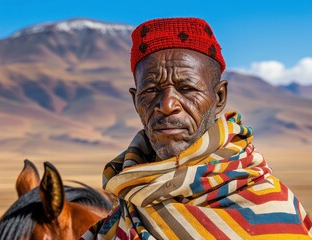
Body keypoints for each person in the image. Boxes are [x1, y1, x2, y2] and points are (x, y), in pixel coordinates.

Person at [81, 17, 312, 239]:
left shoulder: (272, 211)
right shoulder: (125, 206)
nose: (167, 105)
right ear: (135, 101)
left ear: (219, 97)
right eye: (151, 90)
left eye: (187, 88)